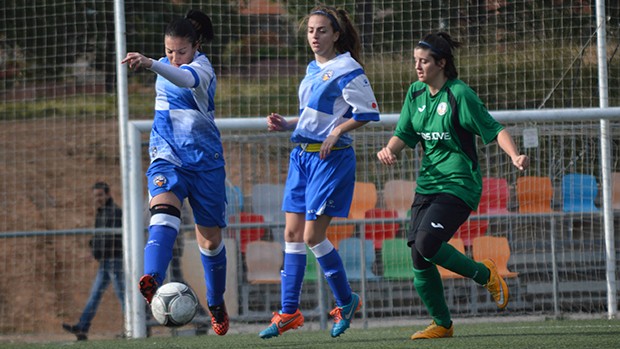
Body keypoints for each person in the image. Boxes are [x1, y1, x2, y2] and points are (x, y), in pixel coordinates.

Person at [376, 32, 529, 340]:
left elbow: (494, 128)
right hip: (428, 184)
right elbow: (405, 132)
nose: (418, 67)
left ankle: (485, 274)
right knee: (419, 257)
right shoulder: (416, 93)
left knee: (427, 244)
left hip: (460, 184)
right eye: (415, 61)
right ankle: (442, 325)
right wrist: (390, 149)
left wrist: (515, 155)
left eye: (424, 61)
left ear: (441, 63)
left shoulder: (460, 94)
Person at [259, 5, 380, 339]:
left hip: (332, 160)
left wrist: (337, 132)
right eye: (311, 30)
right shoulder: (313, 69)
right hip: (302, 158)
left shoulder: (347, 68)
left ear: (336, 34)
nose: (314, 36)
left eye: (322, 30)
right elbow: (314, 118)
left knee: (313, 236)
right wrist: (287, 124)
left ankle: (346, 300)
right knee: (292, 235)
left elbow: (369, 112)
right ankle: (288, 312)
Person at [121, 9, 229, 336]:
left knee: (209, 241)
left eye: (181, 51)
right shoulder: (165, 64)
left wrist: (156, 63)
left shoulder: (201, 68)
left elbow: (185, 78)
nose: (174, 57)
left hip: (205, 160)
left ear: (195, 46)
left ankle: (215, 302)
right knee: (163, 214)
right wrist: (157, 62)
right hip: (166, 154)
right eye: (168, 51)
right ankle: (152, 279)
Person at [62, 182, 124, 341]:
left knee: (123, 296)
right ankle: (82, 328)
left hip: (114, 260)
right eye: (95, 196)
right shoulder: (102, 212)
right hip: (105, 261)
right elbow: (98, 237)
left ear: (108, 195)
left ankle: (138, 326)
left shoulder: (115, 212)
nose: (97, 199)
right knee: (95, 294)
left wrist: (95, 252)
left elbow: (111, 239)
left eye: (100, 195)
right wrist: (93, 249)